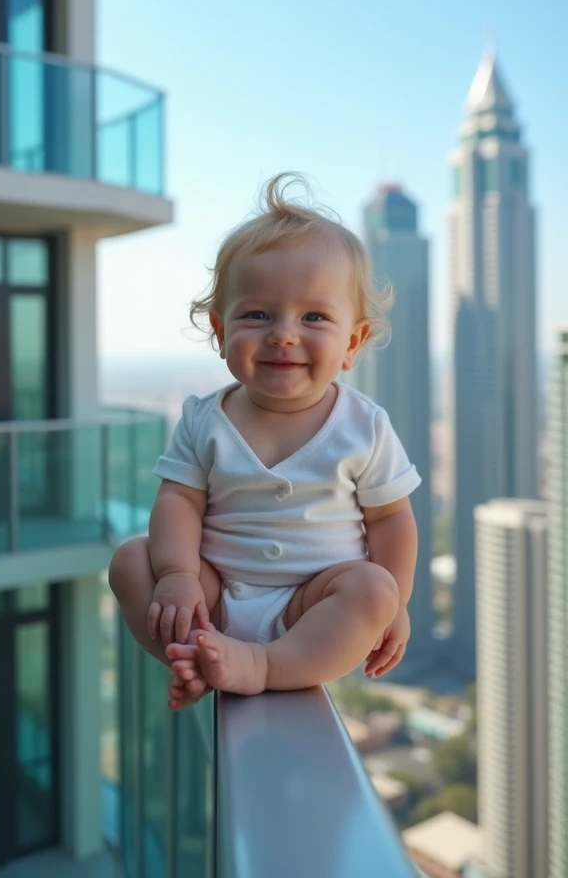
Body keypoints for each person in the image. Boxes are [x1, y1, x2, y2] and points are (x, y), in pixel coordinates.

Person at [109, 173, 420, 710]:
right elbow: (179, 500)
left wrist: (398, 600)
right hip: (213, 596)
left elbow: (391, 518)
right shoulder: (204, 419)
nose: (284, 333)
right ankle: (193, 654)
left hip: (312, 605)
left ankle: (269, 665)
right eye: (257, 314)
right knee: (130, 562)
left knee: (373, 589)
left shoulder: (364, 426)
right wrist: (181, 576)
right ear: (220, 330)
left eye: (314, 317)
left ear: (353, 342)